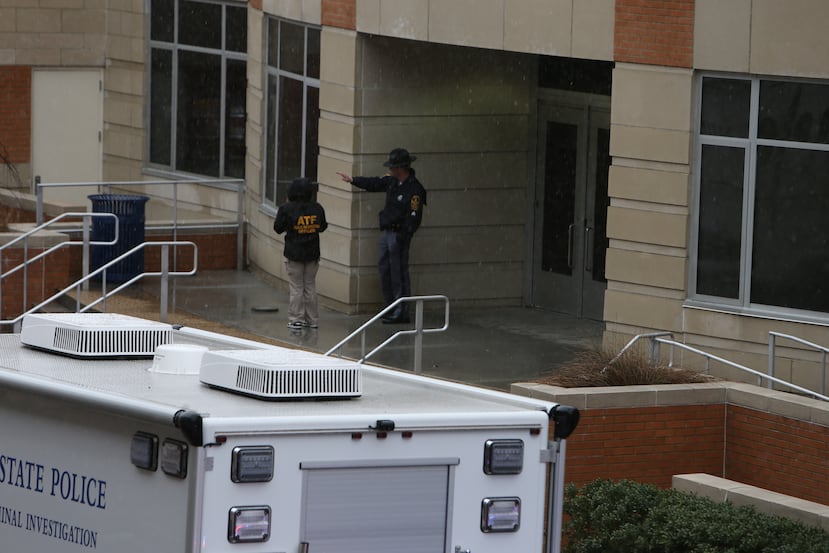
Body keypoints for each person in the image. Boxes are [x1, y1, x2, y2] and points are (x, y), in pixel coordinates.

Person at [337, 147, 426, 324]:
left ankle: (401, 311)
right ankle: (390, 307)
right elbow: (375, 183)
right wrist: (354, 180)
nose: (390, 170)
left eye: (393, 167)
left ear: (401, 168)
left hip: (399, 235)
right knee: (385, 269)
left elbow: (414, 217)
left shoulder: (414, 190)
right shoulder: (392, 182)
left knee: (398, 272)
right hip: (387, 232)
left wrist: (404, 235)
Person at [273, 177, 328, 329]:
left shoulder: (286, 208)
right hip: (312, 253)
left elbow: (277, 228)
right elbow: (322, 227)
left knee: (297, 288)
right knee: (310, 286)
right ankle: (312, 320)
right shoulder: (317, 208)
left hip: (294, 253)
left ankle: (296, 318)